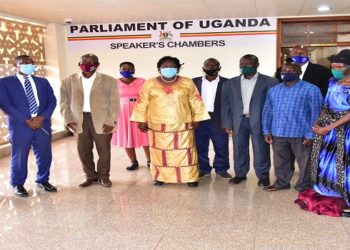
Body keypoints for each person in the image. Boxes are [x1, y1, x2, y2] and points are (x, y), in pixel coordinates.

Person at [130, 56, 210, 187]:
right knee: (159, 152)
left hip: (182, 123)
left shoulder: (187, 82)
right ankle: (160, 176)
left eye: (171, 66)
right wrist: (141, 120)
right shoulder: (150, 83)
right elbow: (142, 102)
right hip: (157, 125)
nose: (168, 69)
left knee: (185, 151)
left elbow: (195, 101)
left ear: (178, 69)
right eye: (164, 67)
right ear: (159, 69)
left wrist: (197, 118)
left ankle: (190, 177)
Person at [294, 49, 350, 217]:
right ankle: (329, 191)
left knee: (343, 163)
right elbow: (326, 105)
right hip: (327, 130)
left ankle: (345, 197)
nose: (335, 68)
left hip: (344, 130)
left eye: (339, 66)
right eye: (333, 65)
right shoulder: (333, 81)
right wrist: (318, 122)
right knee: (325, 162)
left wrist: (330, 127)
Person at [0, 55, 57, 197]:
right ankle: (18, 184)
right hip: (20, 126)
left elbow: (52, 101)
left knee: (45, 154)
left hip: (42, 124)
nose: (28, 65)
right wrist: (26, 120)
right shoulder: (5, 82)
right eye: (24, 63)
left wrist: (41, 118)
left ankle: (43, 180)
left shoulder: (42, 82)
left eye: (31, 63)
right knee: (19, 156)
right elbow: (5, 104)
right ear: (15, 65)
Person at [60, 53, 119, 188]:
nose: (87, 65)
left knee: (104, 150)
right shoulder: (67, 81)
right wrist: (68, 120)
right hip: (78, 120)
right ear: (79, 64)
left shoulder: (109, 80)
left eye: (91, 63)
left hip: (102, 120)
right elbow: (64, 103)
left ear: (97, 65)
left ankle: (104, 176)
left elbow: (114, 103)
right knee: (83, 150)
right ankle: (90, 176)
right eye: (84, 62)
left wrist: (110, 121)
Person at [262, 62, 323, 192]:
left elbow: (316, 113)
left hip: (301, 133)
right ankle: (282, 183)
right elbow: (267, 111)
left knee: (305, 162)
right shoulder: (274, 90)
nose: (287, 72)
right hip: (278, 132)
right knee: (280, 162)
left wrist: (311, 134)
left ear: (299, 72)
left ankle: (304, 185)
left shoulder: (311, 89)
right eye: (285, 70)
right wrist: (266, 130)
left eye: (292, 70)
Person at [221, 54, 278, 186]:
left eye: (248, 64)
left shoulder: (270, 82)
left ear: (257, 65)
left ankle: (263, 176)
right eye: (242, 64)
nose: (244, 66)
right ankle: (240, 174)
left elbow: (274, 105)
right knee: (238, 149)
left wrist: (270, 125)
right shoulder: (230, 83)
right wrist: (227, 123)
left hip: (260, 121)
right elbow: (226, 105)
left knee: (261, 150)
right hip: (238, 122)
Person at [192, 58, 230, 179]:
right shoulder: (194, 82)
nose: (210, 67)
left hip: (218, 118)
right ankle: (203, 168)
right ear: (203, 68)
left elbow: (230, 103)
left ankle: (221, 168)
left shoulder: (227, 83)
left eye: (213, 65)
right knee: (200, 145)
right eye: (207, 65)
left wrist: (229, 122)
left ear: (219, 67)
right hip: (199, 118)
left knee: (221, 144)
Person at [111, 62, 150, 171]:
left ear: (134, 70)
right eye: (124, 68)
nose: (127, 70)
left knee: (145, 137)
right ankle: (133, 161)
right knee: (126, 137)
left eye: (130, 68)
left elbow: (147, 97)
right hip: (122, 114)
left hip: (139, 111)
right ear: (119, 70)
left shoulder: (142, 81)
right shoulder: (114, 82)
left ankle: (150, 161)